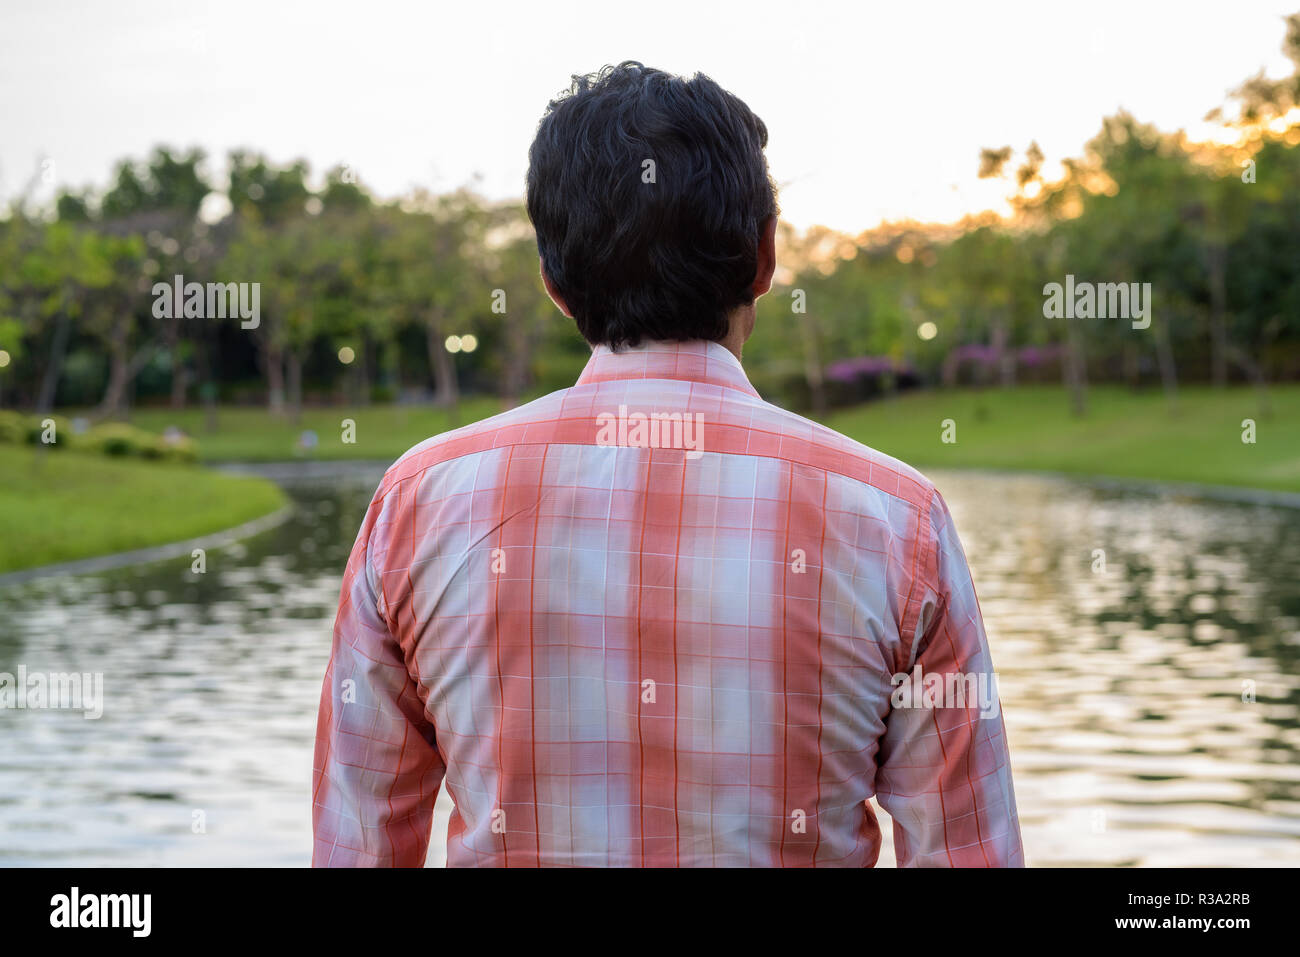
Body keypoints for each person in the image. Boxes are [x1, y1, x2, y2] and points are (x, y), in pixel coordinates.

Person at [312, 61, 1022, 867]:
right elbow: (969, 854)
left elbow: (358, 845)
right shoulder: (898, 519)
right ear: (764, 258)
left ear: (552, 281)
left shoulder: (416, 503)